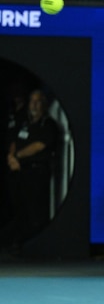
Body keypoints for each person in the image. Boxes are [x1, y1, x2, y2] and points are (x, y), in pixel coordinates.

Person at [2, 90, 58, 252]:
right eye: (31, 100)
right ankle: (17, 242)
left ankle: (34, 246)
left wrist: (18, 156)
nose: (33, 104)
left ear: (44, 104)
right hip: (19, 172)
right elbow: (14, 140)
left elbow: (39, 145)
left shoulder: (48, 125)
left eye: (37, 101)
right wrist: (11, 157)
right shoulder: (25, 123)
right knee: (19, 209)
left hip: (36, 173)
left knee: (35, 210)